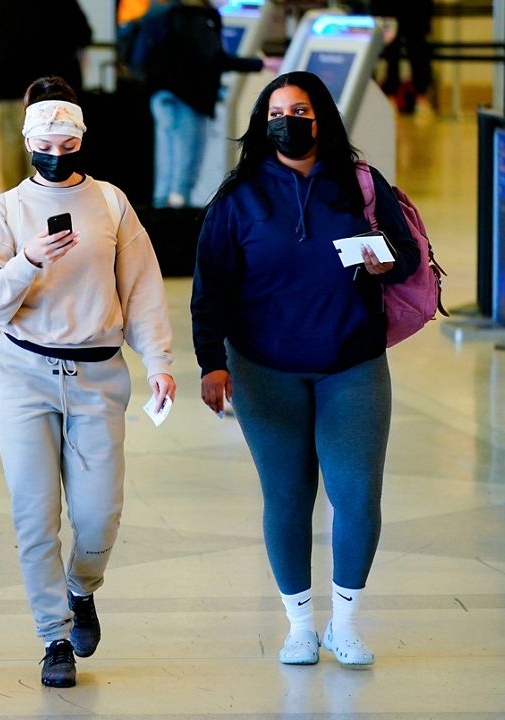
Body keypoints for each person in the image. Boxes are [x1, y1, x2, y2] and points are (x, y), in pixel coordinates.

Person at [190, 71, 419, 668]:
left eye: (299, 111)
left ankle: (345, 623)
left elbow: (406, 257)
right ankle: (298, 626)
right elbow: (209, 288)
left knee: (356, 494)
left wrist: (379, 263)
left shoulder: (362, 184)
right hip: (265, 369)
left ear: (323, 120)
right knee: (288, 496)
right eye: (275, 113)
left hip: (351, 363)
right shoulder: (238, 197)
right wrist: (211, 363)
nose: (285, 122)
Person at [0, 76, 175, 688]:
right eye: (45, 145)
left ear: (82, 140)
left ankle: (82, 588)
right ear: (30, 142)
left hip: (97, 373)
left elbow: (142, 288)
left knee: (98, 514)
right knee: (34, 516)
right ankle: (53, 635)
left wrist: (159, 361)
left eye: (68, 143)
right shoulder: (5, 210)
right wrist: (27, 261)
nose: (57, 155)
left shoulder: (111, 203)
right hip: (24, 373)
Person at [139, 0, 263, 208]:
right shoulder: (198, 19)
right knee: (187, 163)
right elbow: (214, 57)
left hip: (160, 95)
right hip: (189, 98)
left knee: (167, 160)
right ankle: (178, 210)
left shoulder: (161, 15)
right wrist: (259, 64)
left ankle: (162, 210)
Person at [0, 0, 91, 190]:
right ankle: (42, 202)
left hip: (9, 86)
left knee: (11, 143)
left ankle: (13, 203)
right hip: (50, 91)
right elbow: (83, 34)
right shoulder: (60, 3)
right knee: (47, 146)